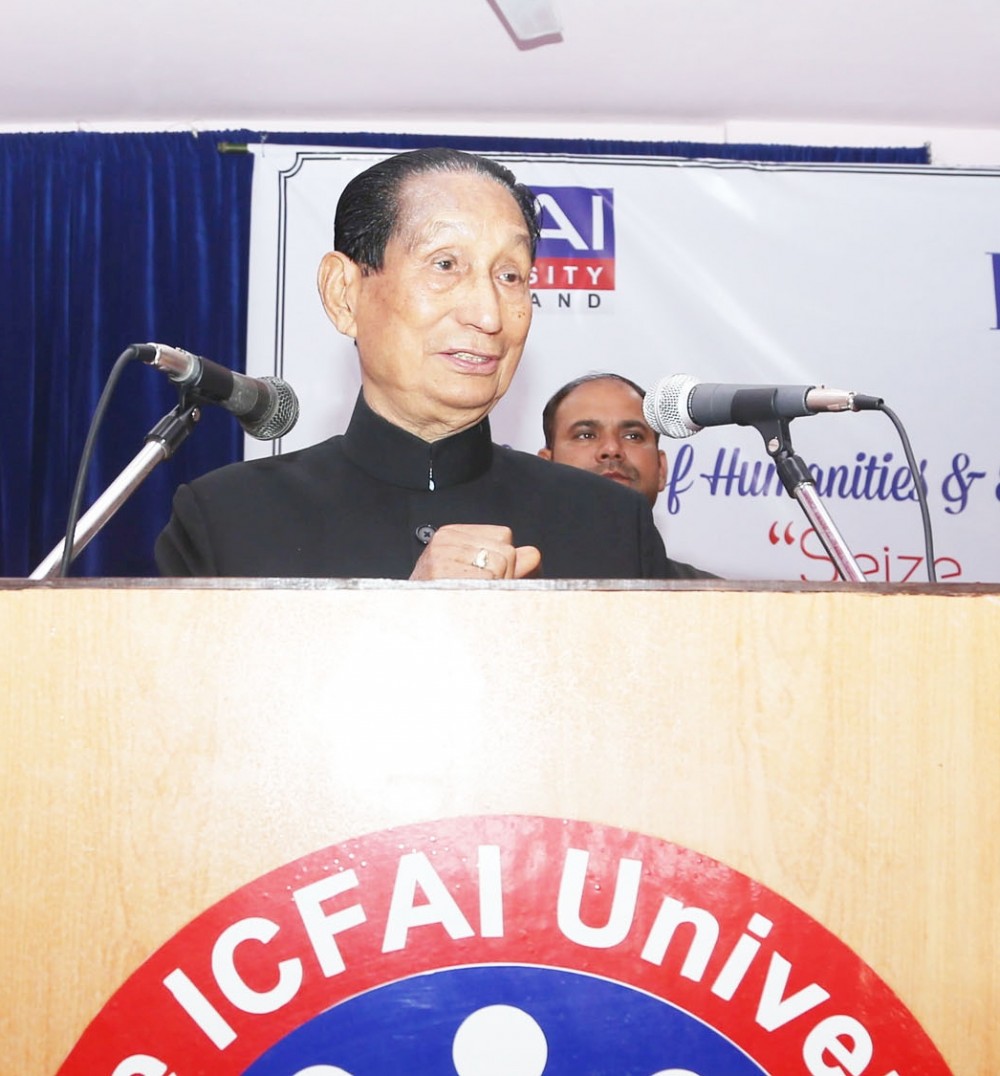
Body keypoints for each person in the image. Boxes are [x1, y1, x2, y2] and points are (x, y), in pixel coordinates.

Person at [155, 148, 700, 581]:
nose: (489, 314)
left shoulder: (609, 522)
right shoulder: (226, 520)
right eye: (445, 264)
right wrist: (406, 620)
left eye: (510, 275)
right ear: (344, 294)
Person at [539, 372, 717, 578]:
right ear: (545, 467)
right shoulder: (512, 593)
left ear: (661, 469)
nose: (612, 448)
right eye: (585, 435)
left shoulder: (716, 601)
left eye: (633, 436)